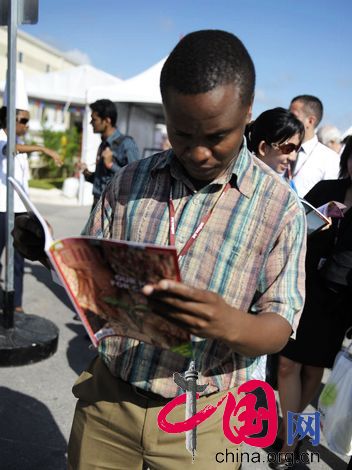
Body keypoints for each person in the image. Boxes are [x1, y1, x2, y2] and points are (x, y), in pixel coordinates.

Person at [13, 30, 307, 470]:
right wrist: (50, 251)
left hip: (205, 421)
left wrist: (227, 323)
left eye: (217, 136)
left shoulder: (278, 208)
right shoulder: (130, 181)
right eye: (182, 133)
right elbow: (93, 280)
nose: (199, 151)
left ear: (247, 114)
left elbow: (281, 325)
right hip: (110, 403)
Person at [272, 136, 352, 468]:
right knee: (288, 364)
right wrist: (321, 218)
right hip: (306, 288)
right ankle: (291, 439)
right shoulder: (326, 189)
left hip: (340, 302)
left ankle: (292, 437)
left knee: (312, 373)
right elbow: (293, 224)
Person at [0, 105, 62, 313]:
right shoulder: (1, 138)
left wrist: (32, 211)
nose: (27, 125)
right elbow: (8, 149)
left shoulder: (21, 145)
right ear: (10, 120)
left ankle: (16, 304)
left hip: (19, 210)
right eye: (24, 120)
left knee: (20, 255)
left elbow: (22, 184)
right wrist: (43, 149)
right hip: (1, 210)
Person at [80, 99, 140, 210]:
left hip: (113, 207)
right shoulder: (103, 144)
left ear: (107, 121)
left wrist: (111, 165)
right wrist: (86, 173)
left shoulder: (126, 144)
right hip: (97, 204)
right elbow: (103, 180)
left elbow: (136, 179)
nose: (91, 123)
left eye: (94, 119)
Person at [289, 95, 340, 197]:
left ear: (310, 121)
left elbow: (327, 199)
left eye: (293, 116)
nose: (288, 120)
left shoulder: (330, 159)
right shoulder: (278, 146)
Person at [246, 107, 304, 191]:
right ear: (263, 148)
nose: (293, 157)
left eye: (297, 148)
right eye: (288, 148)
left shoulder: (289, 188)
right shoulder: (237, 178)